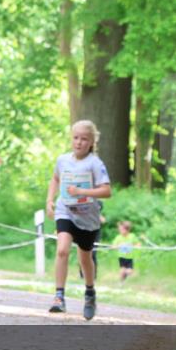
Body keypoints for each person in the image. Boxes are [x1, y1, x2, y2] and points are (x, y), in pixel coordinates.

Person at [45, 120, 111, 320]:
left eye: (84, 139)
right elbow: (56, 178)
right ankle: (59, 297)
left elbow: (107, 191)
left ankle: (90, 293)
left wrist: (82, 191)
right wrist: (50, 199)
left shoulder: (95, 163)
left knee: (85, 257)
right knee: (62, 249)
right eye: (75, 138)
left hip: (87, 216)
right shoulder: (62, 160)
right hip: (65, 209)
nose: (79, 142)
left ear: (91, 142)